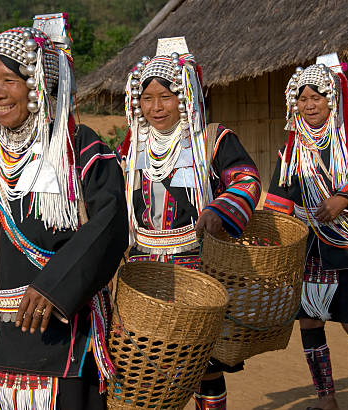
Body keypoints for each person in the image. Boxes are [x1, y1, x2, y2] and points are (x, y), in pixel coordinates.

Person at [0, 15, 128, 410]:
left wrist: (55, 285)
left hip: (59, 337)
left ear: (39, 86)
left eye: (10, 80)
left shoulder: (78, 149)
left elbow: (111, 222)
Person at [118, 37, 261, 409]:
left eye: (165, 96)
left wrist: (220, 211)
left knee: (202, 364)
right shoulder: (130, 149)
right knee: (147, 363)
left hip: (197, 267)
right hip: (143, 268)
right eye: (147, 98)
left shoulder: (211, 140)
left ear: (184, 97)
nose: (155, 107)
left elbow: (246, 180)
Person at [264, 58, 348, 409]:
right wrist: (266, 235)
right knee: (309, 321)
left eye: (316, 98)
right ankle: (326, 398)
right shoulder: (290, 149)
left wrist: (345, 197)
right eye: (303, 99)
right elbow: (279, 197)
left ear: (332, 99)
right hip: (307, 246)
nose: (309, 105)